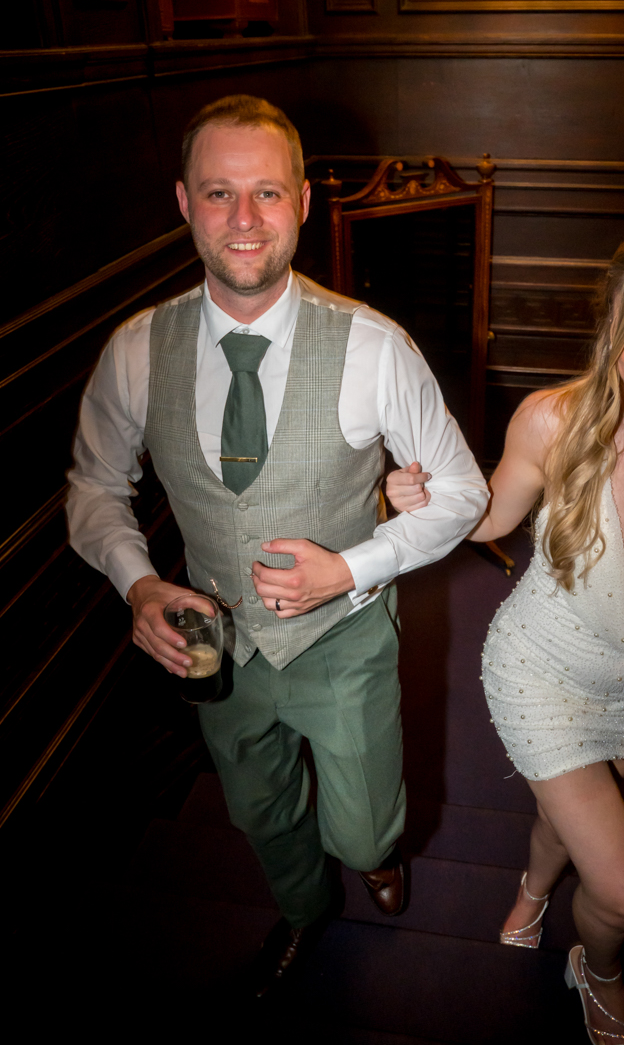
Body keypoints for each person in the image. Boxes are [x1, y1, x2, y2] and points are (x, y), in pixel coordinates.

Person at [66, 94, 488, 994]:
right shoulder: (136, 351)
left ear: (302, 201)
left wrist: (350, 565)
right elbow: (94, 487)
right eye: (221, 195)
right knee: (260, 812)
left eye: (266, 194)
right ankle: (305, 913)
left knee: (368, 827)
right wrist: (140, 585)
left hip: (346, 640)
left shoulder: (374, 347)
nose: (245, 220)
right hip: (214, 647)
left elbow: (462, 492)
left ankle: (374, 857)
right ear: (184, 203)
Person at [386, 223, 624, 1044]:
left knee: (570, 815)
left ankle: (529, 888)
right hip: (540, 670)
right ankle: (598, 968)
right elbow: (485, 516)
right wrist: (421, 498)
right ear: (608, 329)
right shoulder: (553, 422)